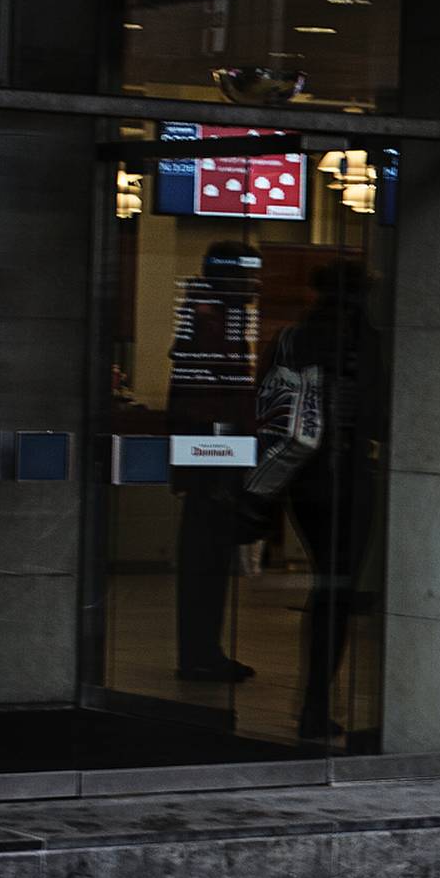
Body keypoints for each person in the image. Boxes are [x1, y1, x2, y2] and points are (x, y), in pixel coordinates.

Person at [256, 261, 380, 743]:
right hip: (346, 473)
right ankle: (314, 703)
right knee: (337, 589)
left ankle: (313, 703)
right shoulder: (363, 342)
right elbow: (379, 413)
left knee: (326, 586)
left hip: (299, 474)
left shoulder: (294, 337)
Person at [169, 241, 261, 683]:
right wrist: (229, 463)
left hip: (206, 460)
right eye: (247, 275)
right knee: (206, 561)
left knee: (203, 560)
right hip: (213, 462)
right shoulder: (213, 324)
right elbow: (216, 403)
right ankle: (202, 654)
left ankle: (201, 651)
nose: (254, 285)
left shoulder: (202, 317)